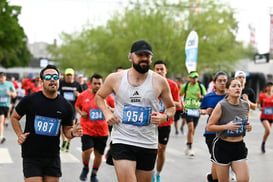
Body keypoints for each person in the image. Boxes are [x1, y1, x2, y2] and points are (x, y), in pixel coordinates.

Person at [95, 40, 175, 182]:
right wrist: (107, 113)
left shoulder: (160, 81)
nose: (144, 58)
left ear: (151, 57)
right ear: (130, 56)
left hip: (148, 142)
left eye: (147, 55)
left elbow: (171, 107)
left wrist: (165, 117)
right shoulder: (115, 78)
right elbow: (99, 97)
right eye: (140, 55)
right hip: (122, 139)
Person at [10, 64, 83, 182]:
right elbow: (14, 117)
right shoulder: (30, 100)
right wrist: (19, 134)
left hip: (52, 156)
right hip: (31, 155)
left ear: (59, 79)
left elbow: (67, 131)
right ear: (41, 81)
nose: (52, 79)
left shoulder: (66, 106)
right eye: (48, 77)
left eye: (55, 76)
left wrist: (73, 132)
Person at [206, 78, 252, 182]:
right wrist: (226, 127)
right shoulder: (221, 105)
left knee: (244, 180)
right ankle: (212, 177)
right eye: (234, 86)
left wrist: (248, 126)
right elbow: (209, 127)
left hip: (239, 146)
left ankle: (212, 177)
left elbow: (245, 122)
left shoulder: (245, 105)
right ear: (227, 90)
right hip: (223, 146)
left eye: (239, 86)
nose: (237, 88)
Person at [75, 73, 114, 182]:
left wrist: (109, 109)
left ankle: (94, 174)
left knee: (98, 155)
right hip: (87, 129)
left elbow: (115, 109)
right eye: (95, 83)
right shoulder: (83, 95)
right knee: (88, 150)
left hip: (102, 131)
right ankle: (85, 167)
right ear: (90, 84)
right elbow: (77, 105)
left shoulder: (108, 97)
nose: (97, 86)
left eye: (99, 84)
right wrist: (80, 112)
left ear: (103, 84)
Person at [152, 60, 181, 182]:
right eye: (157, 69)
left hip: (165, 122)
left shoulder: (172, 85)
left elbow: (179, 105)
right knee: (149, 150)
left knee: (161, 150)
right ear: (154, 71)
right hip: (150, 122)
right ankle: (150, 173)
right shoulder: (148, 84)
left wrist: (167, 100)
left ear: (165, 71)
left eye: (161, 69)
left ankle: (158, 174)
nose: (159, 71)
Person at [199, 71, 228, 182]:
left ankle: (212, 177)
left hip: (226, 132)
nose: (222, 83)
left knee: (220, 160)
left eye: (224, 80)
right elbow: (200, 110)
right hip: (211, 133)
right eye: (219, 81)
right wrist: (206, 111)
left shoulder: (230, 96)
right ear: (214, 83)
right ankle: (215, 178)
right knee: (217, 159)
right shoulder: (208, 97)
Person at [179, 71, 207, 157]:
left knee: (192, 130)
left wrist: (201, 97)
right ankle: (190, 148)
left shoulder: (200, 86)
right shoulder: (186, 86)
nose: (195, 79)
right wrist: (181, 103)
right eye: (193, 77)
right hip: (188, 109)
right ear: (189, 78)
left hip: (196, 110)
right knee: (190, 128)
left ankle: (188, 143)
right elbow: (179, 94)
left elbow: (205, 97)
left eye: (196, 77)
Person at [59, 68, 83, 152]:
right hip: (62, 107)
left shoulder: (77, 84)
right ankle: (64, 140)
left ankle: (68, 142)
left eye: (70, 75)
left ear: (73, 76)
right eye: (67, 75)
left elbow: (82, 96)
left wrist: (78, 94)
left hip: (72, 108)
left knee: (71, 126)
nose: (69, 77)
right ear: (65, 76)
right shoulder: (61, 83)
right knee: (62, 126)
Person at [0, 72, 17, 143]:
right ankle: (1, 136)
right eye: (0, 77)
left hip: (6, 105)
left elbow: (15, 94)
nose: (1, 78)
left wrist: (10, 93)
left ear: (5, 77)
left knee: (3, 122)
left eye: (2, 77)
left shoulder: (9, 84)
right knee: (1, 120)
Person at [258, 82, 273, 154]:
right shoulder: (262, 95)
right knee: (268, 130)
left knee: (267, 132)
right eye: (268, 86)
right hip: (264, 116)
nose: (270, 88)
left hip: (271, 117)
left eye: (271, 86)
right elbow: (258, 104)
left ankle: (263, 143)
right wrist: (260, 107)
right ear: (266, 87)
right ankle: (263, 144)